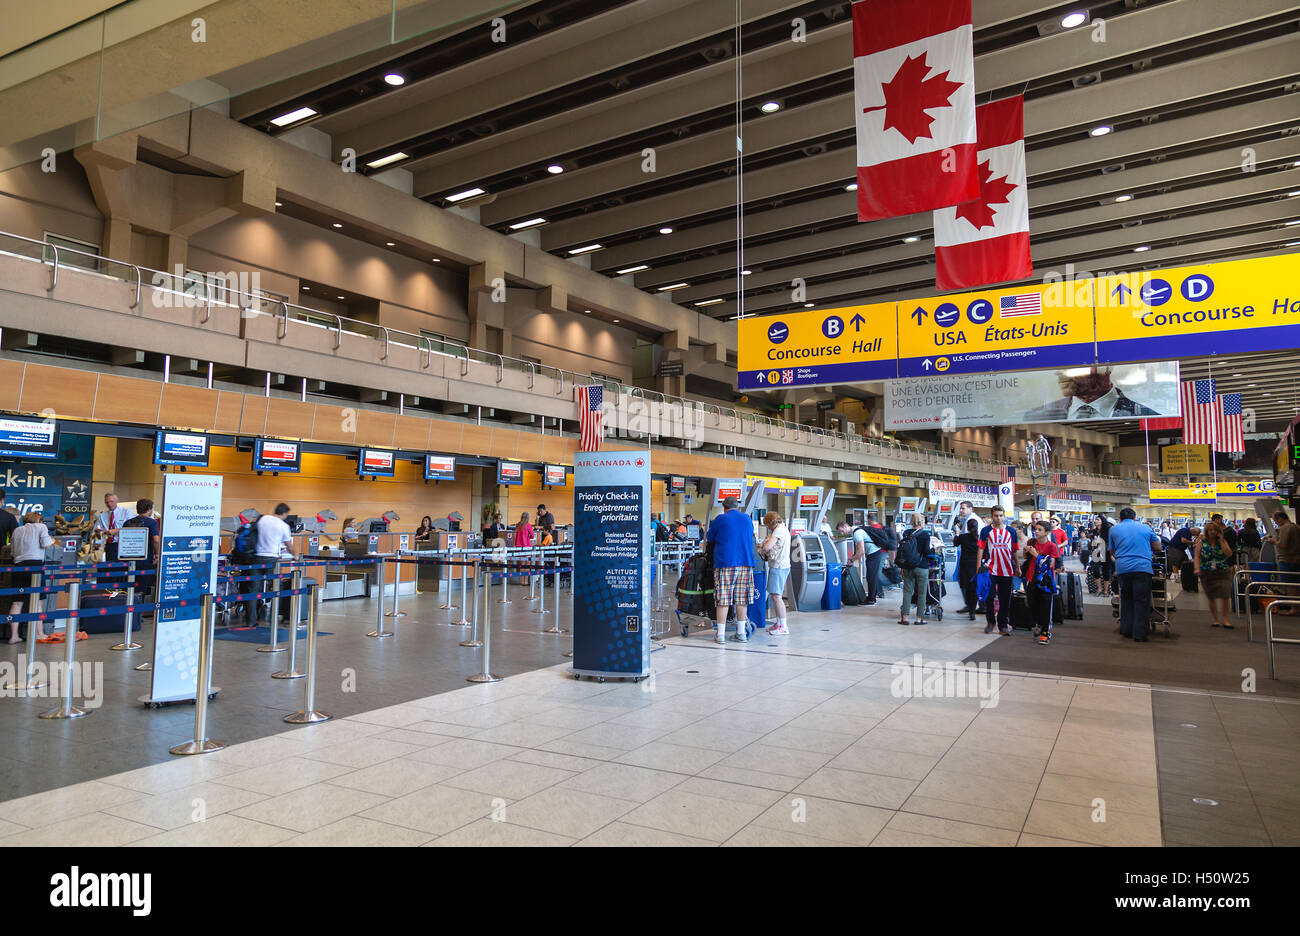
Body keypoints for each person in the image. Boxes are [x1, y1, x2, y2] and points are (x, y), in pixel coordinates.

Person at [1022, 366, 1161, 421]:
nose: (1058, 372)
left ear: (1105, 368)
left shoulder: (1148, 416)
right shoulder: (1034, 416)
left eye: (1071, 365)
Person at [706, 496, 756, 644]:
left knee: (723, 599)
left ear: (724, 507)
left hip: (725, 563)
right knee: (742, 599)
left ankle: (720, 635)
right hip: (746, 563)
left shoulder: (720, 519)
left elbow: (709, 537)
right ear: (738, 507)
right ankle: (741, 633)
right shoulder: (747, 519)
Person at [1110, 507, 1162, 642]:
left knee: (1126, 599)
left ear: (1120, 518)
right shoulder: (1145, 528)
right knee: (1141, 601)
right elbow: (1158, 547)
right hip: (1142, 568)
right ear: (1135, 517)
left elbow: (1112, 550)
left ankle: (1126, 630)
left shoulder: (1114, 529)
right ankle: (1140, 634)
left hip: (1123, 569)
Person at [242, 503, 297, 625]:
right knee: (278, 587)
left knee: (253, 589)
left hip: (256, 558)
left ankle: (251, 621)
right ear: (284, 513)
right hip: (271, 559)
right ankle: (280, 616)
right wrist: (296, 556)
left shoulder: (263, 519)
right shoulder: (283, 525)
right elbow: (289, 545)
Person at [7, 511, 55, 643]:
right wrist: (53, 540)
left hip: (18, 566)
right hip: (35, 566)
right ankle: (39, 634)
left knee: (17, 603)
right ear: (38, 519)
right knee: (37, 601)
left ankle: (13, 636)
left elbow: (12, 552)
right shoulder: (41, 527)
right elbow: (46, 544)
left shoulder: (17, 530)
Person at [977, 506, 1019, 636]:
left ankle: (1003, 624)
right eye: (996, 515)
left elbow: (1015, 550)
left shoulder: (1011, 531)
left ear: (1004, 516)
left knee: (1005, 599)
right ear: (992, 516)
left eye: (1001, 515)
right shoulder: (985, 531)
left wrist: (1017, 566)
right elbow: (980, 549)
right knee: (988, 597)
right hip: (990, 569)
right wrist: (978, 567)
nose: (998, 518)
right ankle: (990, 622)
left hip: (1007, 570)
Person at [1024, 520, 1062, 645]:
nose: (1036, 531)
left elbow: (1049, 564)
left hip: (1045, 581)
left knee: (1045, 607)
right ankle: (1039, 624)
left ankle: (1045, 632)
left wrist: (1036, 554)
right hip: (1031, 578)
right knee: (1032, 605)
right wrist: (1026, 552)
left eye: (1040, 529)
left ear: (1047, 532)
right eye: (1036, 529)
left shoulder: (1051, 546)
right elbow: (1026, 558)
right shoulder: (1031, 542)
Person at [1194, 520, 1235, 629]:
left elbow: (1229, 554)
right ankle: (1216, 619)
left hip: (1223, 571)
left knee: (1225, 595)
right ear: (1206, 531)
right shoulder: (1201, 542)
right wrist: (1197, 568)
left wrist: (1221, 540)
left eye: (1215, 530)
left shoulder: (1222, 541)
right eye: (1210, 530)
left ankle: (1225, 619)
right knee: (1211, 597)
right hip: (1207, 572)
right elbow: (1197, 556)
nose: (1212, 532)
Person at [758, 512, 791, 636]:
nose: (767, 527)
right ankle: (778, 623)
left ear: (770, 523)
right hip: (781, 566)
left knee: (777, 597)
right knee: (775, 595)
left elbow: (767, 547)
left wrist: (761, 547)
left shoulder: (778, 531)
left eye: (767, 525)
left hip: (779, 566)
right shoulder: (783, 529)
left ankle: (783, 626)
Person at [896, 513, 932, 627]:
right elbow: (926, 552)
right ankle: (919, 618)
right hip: (921, 567)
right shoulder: (925, 535)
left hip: (907, 566)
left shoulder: (906, 533)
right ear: (922, 522)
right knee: (921, 593)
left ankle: (905, 618)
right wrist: (934, 550)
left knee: (907, 592)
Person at [120, 498, 161, 589]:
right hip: (145, 560)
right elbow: (156, 540)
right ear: (149, 509)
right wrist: (156, 554)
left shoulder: (127, 522)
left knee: (129, 585)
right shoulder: (152, 522)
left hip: (128, 559)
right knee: (143, 586)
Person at [1265, 510, 1300, 613]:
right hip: (1297, 559)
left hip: (1287, 559)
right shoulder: (1296, 526)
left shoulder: (1285, 528)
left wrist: (1273, 541)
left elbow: (1283, 544)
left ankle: (1294, 608)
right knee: (1297, 584)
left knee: (1290, 585)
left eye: (1276, 520)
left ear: (1280, 519)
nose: (1276, 523)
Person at [849, 520, 883, 606]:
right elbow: (858, 550)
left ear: (845, 526)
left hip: (873, 553)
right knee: (872, 576)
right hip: (874, 552)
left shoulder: (856, 534)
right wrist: (855, 560)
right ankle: (872, 597)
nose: (842, 533)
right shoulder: (857, 531)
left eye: (841, 530)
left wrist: (852, 559)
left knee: (871, 577)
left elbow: (861, 551)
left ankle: (871, 599)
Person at [954, 517, 981, 621]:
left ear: (967, 527)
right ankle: (972, 611)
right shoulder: (980, 538)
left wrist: (956, 533)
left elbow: (955, 543)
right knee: (974, 589)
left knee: (966, 588)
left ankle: (969, 607)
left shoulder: (963, 537)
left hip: (965, 565)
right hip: (976, 565)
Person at [94, 492, 133, 562]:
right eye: (107, 502)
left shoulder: (126, 512)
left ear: (117, 501)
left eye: (111, 501)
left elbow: (131, 529)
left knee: (122, 568)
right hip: (110, 546)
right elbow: (98, 533)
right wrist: (98, 533)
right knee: (111, 568)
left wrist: (115, 531)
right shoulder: (102, 516)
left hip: (124, 545)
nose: (109, 504)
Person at [1091, 527, 1112, 597]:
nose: (1096, 521)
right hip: (1096, 552)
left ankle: (1105, 590)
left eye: (1098, 520)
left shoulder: (1108, 531)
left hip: (1106, 552)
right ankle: (1099, 588)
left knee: (1106, 571)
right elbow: (1092, 542)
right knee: (1096, 570)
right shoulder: (1094, 531)